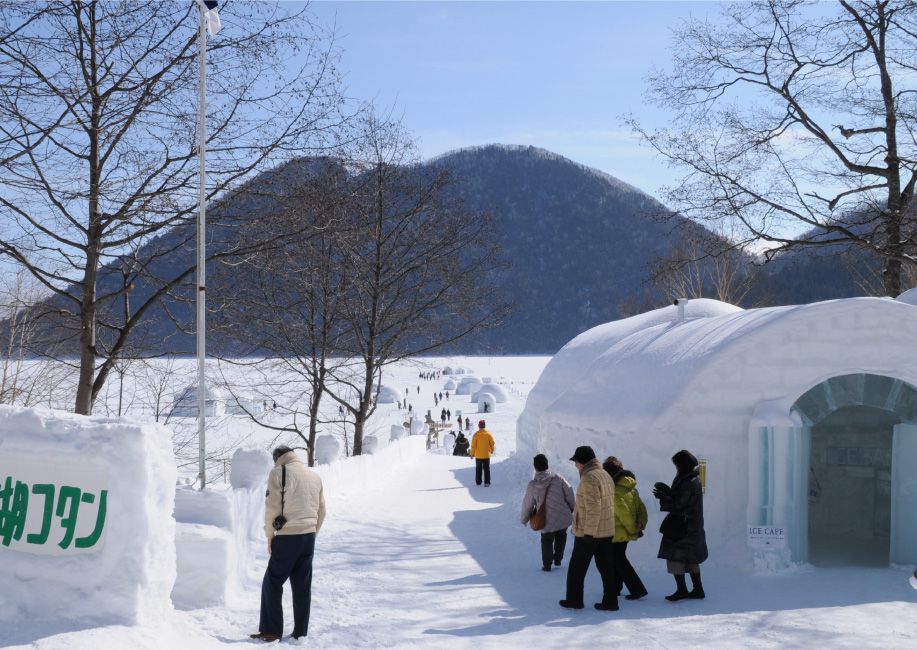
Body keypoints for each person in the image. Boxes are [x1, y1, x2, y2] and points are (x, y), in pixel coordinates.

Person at [251, 446, 326, 642]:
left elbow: (272, 507)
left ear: (278, 458)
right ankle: (300, 632)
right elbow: (322, 510)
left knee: (272, 582)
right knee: (302, 586)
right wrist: (312, 532)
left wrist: (270, 535)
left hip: (287, 537)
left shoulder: (278, 472)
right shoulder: (314, 476)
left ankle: (271, 631)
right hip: (308, 537)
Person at [560, 445, 618, 612]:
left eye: (576, 461)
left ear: (583, 462)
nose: (575, 465)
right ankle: (611, 601)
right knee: (606, 569)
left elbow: (594, 508)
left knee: (576, 569)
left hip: (590, 532)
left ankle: (574, 600)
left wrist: (588, 533)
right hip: (606, 530)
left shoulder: (589, 478)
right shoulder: (604, 474)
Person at [652, 449, 708, 601]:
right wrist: (668, 493)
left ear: (682, 465)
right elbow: (683, 500)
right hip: (692, 526)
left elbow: (678, 505)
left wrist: (664, 498)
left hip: (682, 526)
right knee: (691, 558)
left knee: (674, 557)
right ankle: (698, 589)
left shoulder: (687, 482)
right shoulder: (692, 478)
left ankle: (682, 590)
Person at [603, 456, 648, 600]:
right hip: (624, 532)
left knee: (619, 560)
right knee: (617, 559)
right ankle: (616, 588)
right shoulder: (631, 488)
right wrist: (641, 522)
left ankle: (637, 589)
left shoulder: (614, 491)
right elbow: (641, 508)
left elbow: (623, 514)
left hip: (617, 531)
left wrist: (632, 528)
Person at [520, 454, 575, 571]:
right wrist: (572, 507)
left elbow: (528, 504)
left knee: (546, 540)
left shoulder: (533, 485)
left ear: (535, 467)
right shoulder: (558, 478)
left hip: (546, 519)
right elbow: (569, 493)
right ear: (547, 464)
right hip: (562, 515)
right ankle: (558, 560)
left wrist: (524, 518)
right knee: (561, 535)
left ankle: (547, 565)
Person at [470, 419, 495, 486]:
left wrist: (472, 454)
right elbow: (492, 443)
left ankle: (478, 482)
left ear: (479, 426)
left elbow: (473, 446)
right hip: (486, 455)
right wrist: (492, 450)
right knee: (486, 469)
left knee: (478, 469)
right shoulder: (488, 434)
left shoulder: (476, 434)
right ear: (484, 426)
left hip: (478, 456)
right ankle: (487, 482)